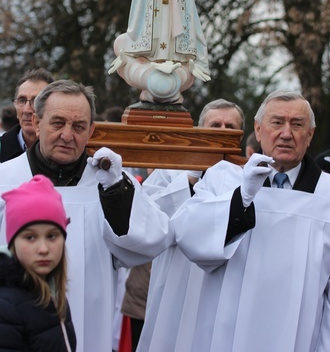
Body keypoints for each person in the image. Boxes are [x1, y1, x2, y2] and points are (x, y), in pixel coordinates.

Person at [0, 80, 174, 352]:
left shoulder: (109, 181)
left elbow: (153, 240)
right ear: (36, 122)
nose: (68, 135)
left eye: (79, 126)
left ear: (91, 130)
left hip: (90, 327)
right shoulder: (5, 178)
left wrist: (116, 190)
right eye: (58, 123)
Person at [172, 90, 330, 352]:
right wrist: (241, 197)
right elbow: (189, 237)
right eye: (277, 122)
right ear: (259, 129)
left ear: (310, 135)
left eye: (297, 125)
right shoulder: (222, 179)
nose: (286, 134)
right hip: (226, 336)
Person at [136, 99, 245, 352]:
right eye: (215, 124)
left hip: (223, 283)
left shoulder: (248, 178)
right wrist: (188, 181)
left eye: (230, 126)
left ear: (241, 135)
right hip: (176, 276)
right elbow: (150, 217)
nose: (221, 130)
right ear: (199, 128)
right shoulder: (171, 169)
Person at [0, 174, 76, 351]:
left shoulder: (54, 295)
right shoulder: (6, 307)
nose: (43, 249)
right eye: (30, 237)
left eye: (52, 236)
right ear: (13, 243)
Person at [0, 68, 54, 162]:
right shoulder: (2, 147)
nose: (26, 110)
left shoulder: (67, 150)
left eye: (36, 101)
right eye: (21, 100)